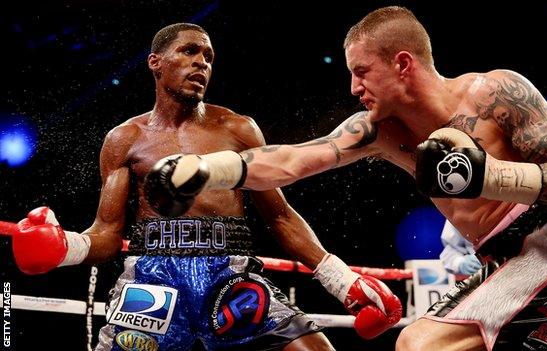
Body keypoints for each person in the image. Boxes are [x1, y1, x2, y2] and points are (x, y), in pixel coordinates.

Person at [150, 7, 547, 351]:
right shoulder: (378, 131)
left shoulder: (495, 92)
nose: (353, 87)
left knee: (421, 346)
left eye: (362, 72)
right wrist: (206, 170)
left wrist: (490, 175)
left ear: (402, 63)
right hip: (505, 261)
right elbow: (295, 160)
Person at [9, 23, 402, 350]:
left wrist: (342, 280)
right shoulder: (124, 139)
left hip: (229, 275)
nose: (201, 63)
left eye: (208, 57)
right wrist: (65, 249)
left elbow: (280, 217)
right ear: (155, 63)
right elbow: (108, 233)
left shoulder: (237, 128)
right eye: (189, 52)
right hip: (153, 279)